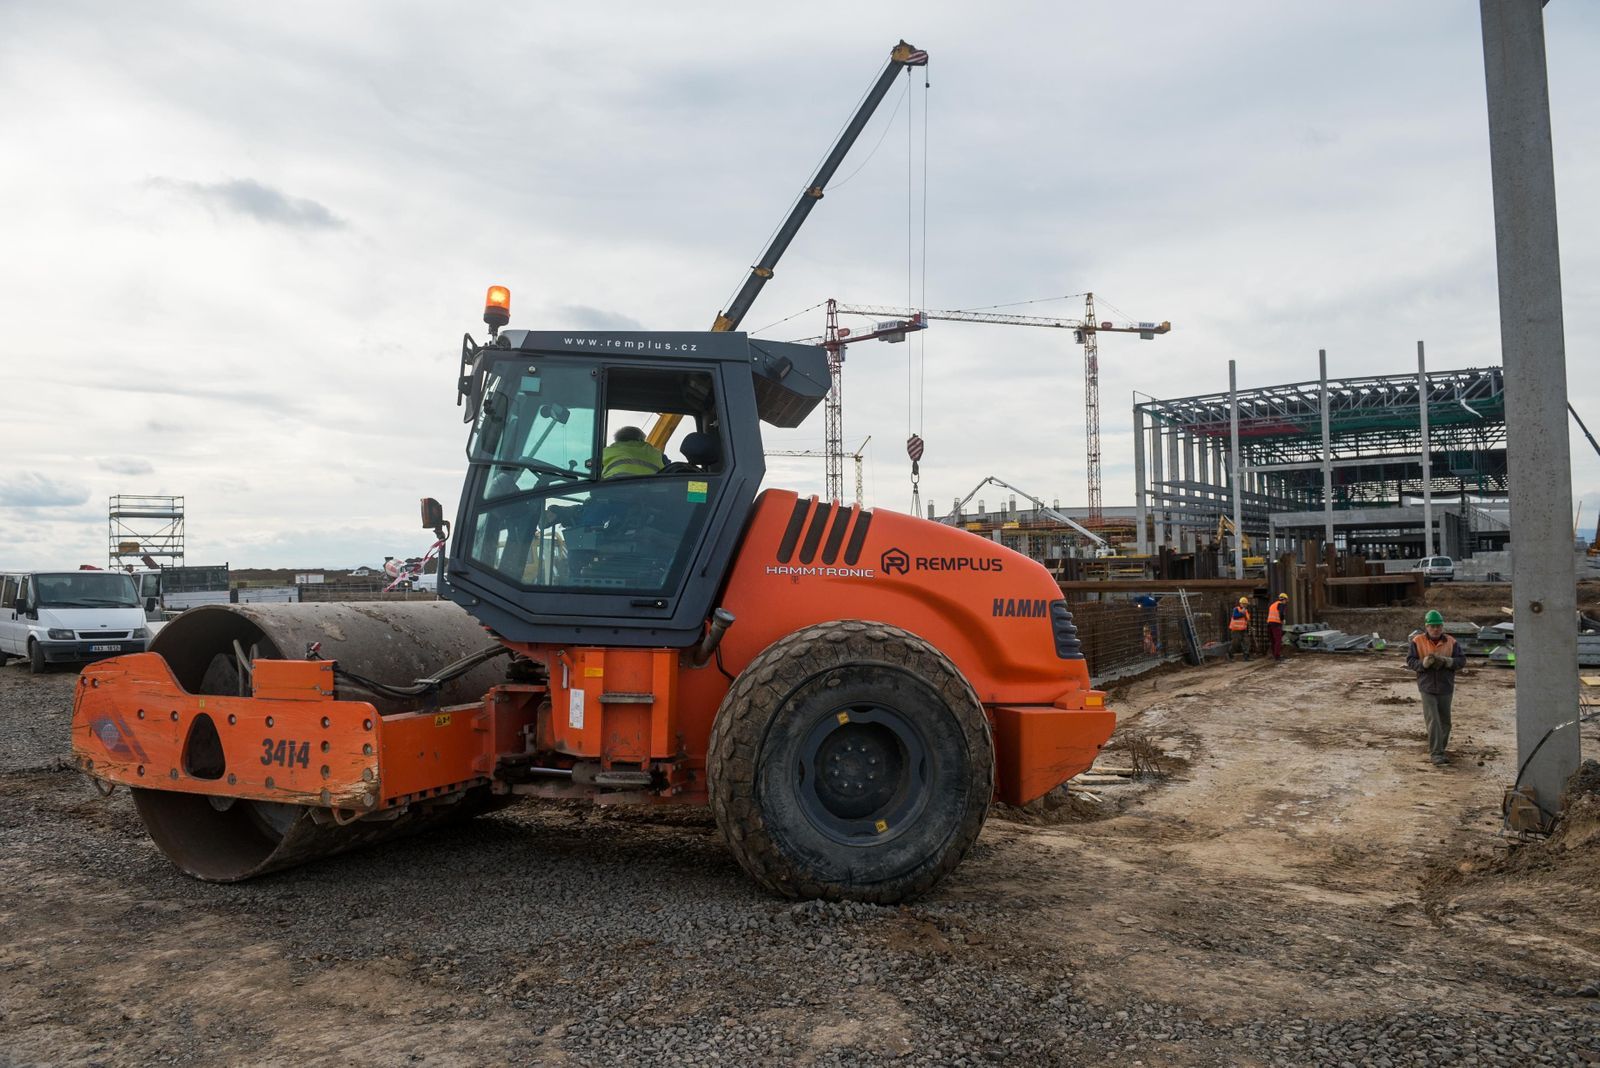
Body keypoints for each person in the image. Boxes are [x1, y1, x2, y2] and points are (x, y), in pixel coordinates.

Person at [1405, 609, 1467, 766]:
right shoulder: (1417, 641)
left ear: (1442, 626)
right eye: (1432, 626)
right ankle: (1436, 754)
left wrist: (1448, 661)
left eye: (1438, 626)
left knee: (1445, 722)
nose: (1435, 629)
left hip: (1446, 686)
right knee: (1433, 720)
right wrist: (1423, 664)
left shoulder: (1451, 642)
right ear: (1426, 626)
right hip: (1427, 687)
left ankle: (1440, 748)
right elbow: (1410, 661)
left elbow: (1461, 660)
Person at [601, 426, 665, 479]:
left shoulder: (606, 452)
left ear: (617, 440)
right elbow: (669, 470)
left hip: (615, 485)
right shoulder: (657, 453)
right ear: (641, 439)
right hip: (650, 488)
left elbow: (593, 471)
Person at [1227, 596, 1252, 662]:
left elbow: (1247, 620)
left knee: (1246, 642)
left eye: (1245, 604)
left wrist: (1250, 626)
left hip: (1243, 630)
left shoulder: (1246, 611)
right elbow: (1235, 616)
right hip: (1235, 630)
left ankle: (1246, 656)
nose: (1244, 605)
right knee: (1235, 643)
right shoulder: (1236, 609)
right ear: (1240, 604)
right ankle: (1230, 655)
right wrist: (1242, 613)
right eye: (1243, 604)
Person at [1266, 592, 1289, 661]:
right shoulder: (1281, 604)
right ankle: (1277, 656)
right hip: (1276, 624)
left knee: (1273, 640)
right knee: (1278, 640)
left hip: (1269, 624)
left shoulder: (1273, 605)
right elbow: (1281, 613)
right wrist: (1282, 620)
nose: (1286, 602)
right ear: (1284, 599)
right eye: (1286, 600)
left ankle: (1274, 654)